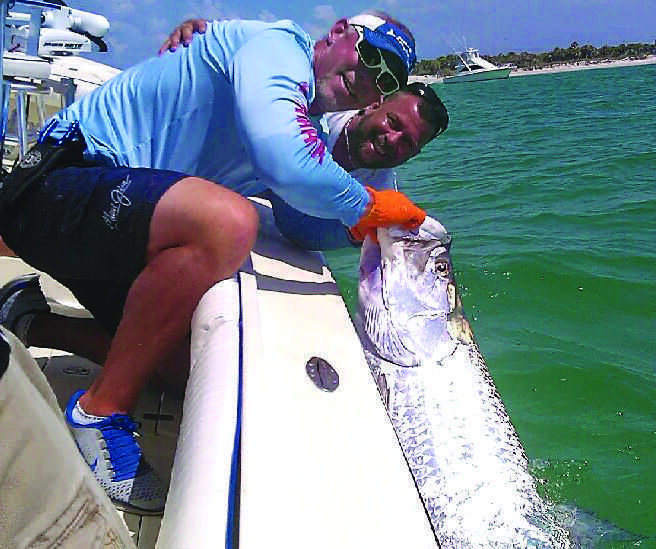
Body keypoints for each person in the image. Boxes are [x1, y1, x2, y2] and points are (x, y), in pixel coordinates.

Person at [0, 12, 425, 514]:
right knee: (230, 224)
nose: (370, 77)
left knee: (188, 373)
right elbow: (284, 158)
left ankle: (28, 319)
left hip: (112, 221)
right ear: (337, 34)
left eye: (387, 77)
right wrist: (367, 206)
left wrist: (365, 232)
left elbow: (299, 222)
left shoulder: (298, 117)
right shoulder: (278, 50)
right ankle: (100, 411)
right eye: (369, 55)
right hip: (60, 180)